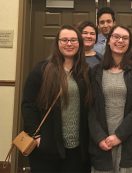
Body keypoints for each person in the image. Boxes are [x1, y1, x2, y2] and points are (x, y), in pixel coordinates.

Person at [21, 24, 91, 172]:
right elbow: (28, 105)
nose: (69, 44)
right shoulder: (42, 69)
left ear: (79, 43)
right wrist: (37, 136)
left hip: (77, 148)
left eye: (73, 40)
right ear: (57, 43)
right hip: (47, 146)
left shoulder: (84, 72)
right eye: (64, 40)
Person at [89, 25, 132, 173]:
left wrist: (119, 135)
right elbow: (90, 108)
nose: (120, 41)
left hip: (131, 139)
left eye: (125, 38)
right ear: (109, 41)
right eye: (116, 37)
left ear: (130, 43)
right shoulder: (96, 71)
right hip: (103, 142)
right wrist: (99, 138)